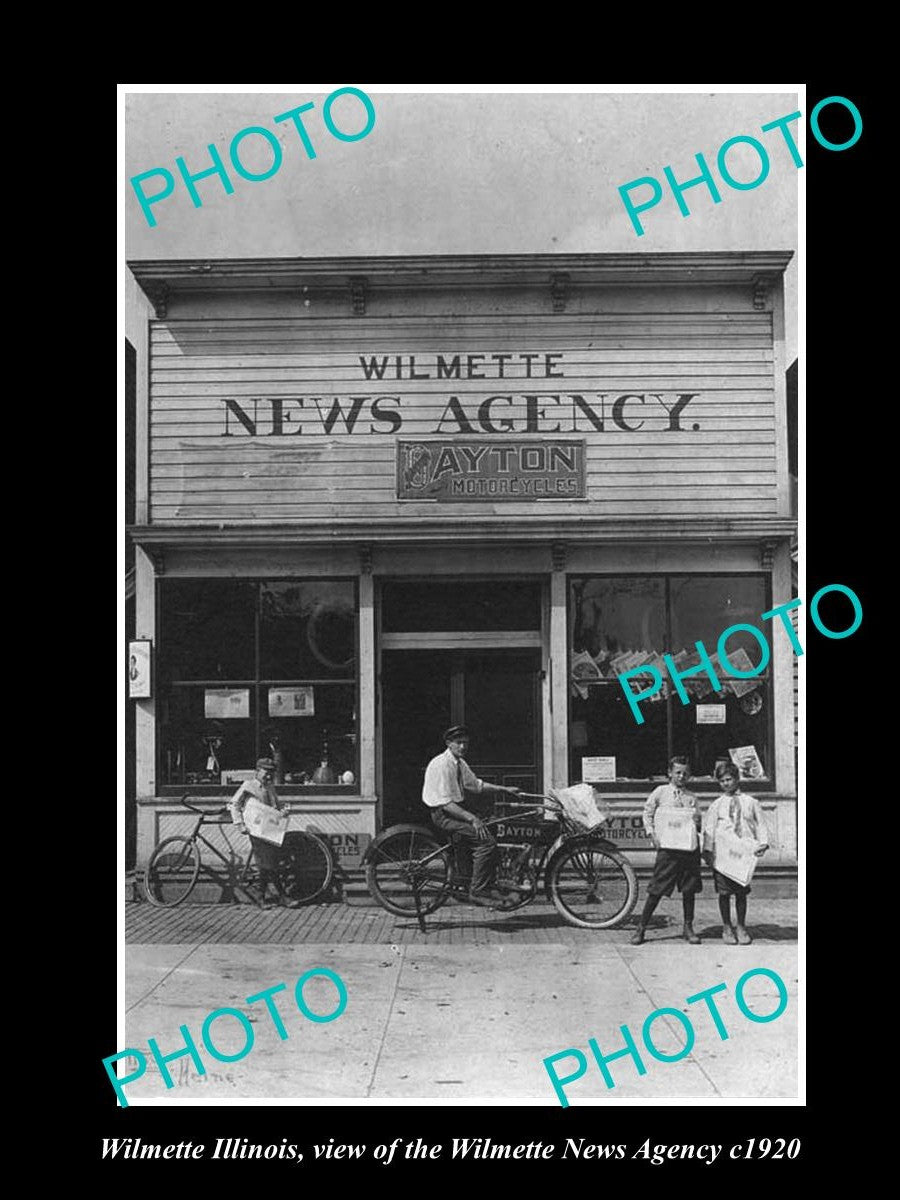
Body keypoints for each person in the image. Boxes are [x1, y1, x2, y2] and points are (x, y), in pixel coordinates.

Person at [422, 725, 524, 907]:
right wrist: (472, 818)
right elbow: (445, 803)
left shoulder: (459, 763)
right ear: (448, 743)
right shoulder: (441, 765)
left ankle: (487, 883)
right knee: (486, 842)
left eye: (465, 743)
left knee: (491, 828)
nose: (463, 747)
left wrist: (504, 789)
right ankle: (477, 890)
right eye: (458, 743)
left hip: (454, 811)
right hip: (444, 814)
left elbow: (476, 785)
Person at [630, 756, 703, 945]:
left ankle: (688, 927)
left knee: (689, 889)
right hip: (668, 850)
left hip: (688, 849)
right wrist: (652, 834)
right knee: (657, 888)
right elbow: (647, 812)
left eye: (685, 773)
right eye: (678, 772)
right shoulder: (660, 792)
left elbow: (698, 823)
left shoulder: (692, 798)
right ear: (669, 773)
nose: (681, 776)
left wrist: (697, 821)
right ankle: (641, 928)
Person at [702, 761, 769, 945]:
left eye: (729, 779)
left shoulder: (751, 802)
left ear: (737, 779)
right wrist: (707, 851)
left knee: (741, 892)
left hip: (743, 854)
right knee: (724, 893)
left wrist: (763, 843)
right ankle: (726, 926)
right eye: (722, 781)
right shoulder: (716, 805)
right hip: (723, 855)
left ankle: (741, 925)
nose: (726, 783)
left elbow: (760, 824)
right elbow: (709, 828)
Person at [229, 757, 299, 910]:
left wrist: (283, 811)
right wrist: (239, 824)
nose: (268, 777)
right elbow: (234, 804)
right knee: (267, 864)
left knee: (269, 864)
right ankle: (275, 897)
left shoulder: (270, 788)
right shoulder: (248, 786)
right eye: (266, 773)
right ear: (257, 771)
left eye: (271, 774)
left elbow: (275, 806)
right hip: (256, 830)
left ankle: (265, 897)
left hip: (270, 831)